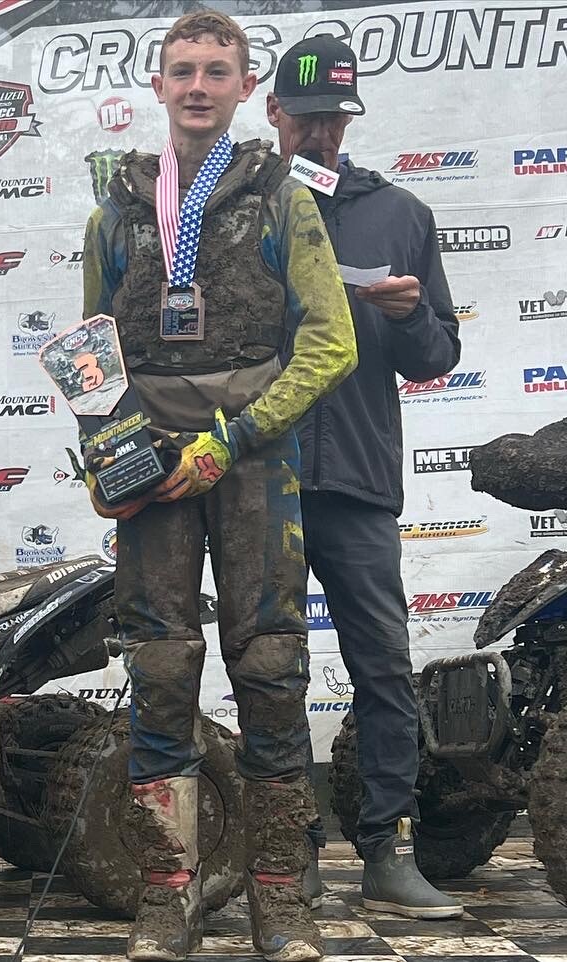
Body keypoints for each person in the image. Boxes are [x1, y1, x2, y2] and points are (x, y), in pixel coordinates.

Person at [78, 10, 358, 961]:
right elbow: (91, 356)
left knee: (271, 668)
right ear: (158, 85)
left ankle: (281, 897)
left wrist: (234, 437)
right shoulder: (116, 211)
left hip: (254, 462)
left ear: (245, 91)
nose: (198, 86)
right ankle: (169, 894)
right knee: (159, 669)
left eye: (216, 71)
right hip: (153, 470)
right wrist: (108, 458)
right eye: (183, 70)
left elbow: (332, 342)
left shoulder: (282, 198)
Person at [268, 35, 463, 920]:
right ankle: (290, 850)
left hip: (359, 482)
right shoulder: (244, 208)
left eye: (335, 119)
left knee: (384, 667)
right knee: (272, 668)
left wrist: (412, 311)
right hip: (264, 478)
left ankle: (387, 852)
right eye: (306, 117)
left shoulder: (401, 212)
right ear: (273, 111)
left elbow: (437, 355)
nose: (320, 134)